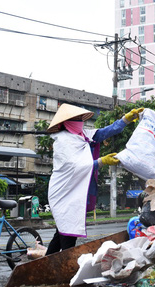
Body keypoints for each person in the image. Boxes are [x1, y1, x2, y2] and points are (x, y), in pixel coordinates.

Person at [45, 103, 143, 255]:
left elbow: (106, 132)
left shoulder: (83, 136)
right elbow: (74, 167)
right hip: (63, 192)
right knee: (68, 237)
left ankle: (46, 265)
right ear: (66, 122)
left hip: (75, 192)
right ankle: (67, 270)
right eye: (76, 119)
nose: (80, 122)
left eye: (80, 118)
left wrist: (125, 120)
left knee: (62, 233)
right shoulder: (63, 141)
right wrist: (102, 161)